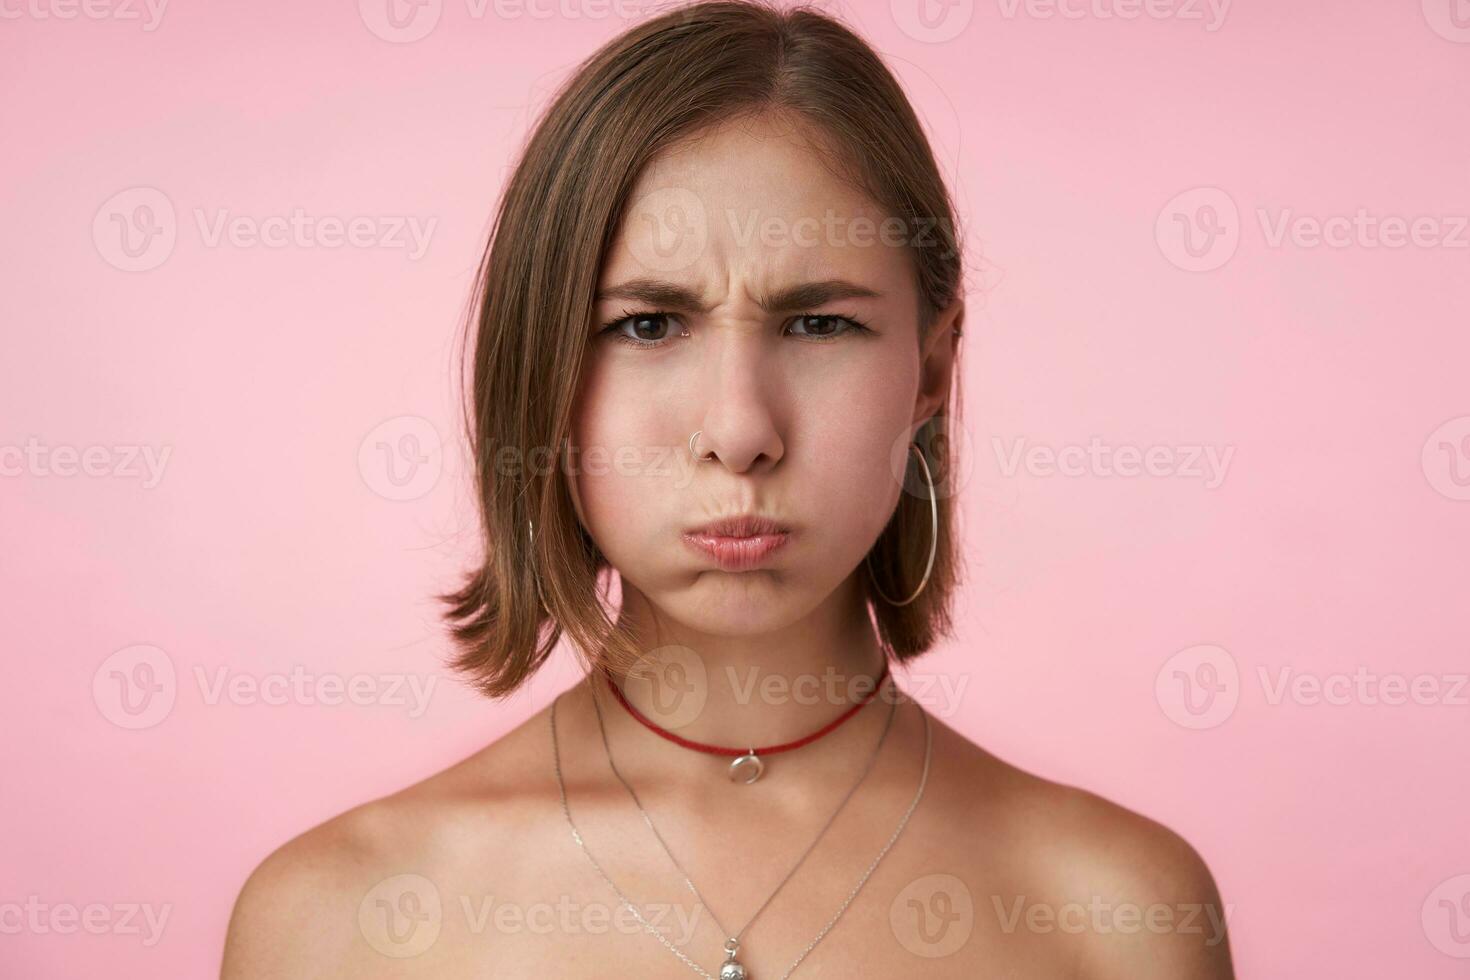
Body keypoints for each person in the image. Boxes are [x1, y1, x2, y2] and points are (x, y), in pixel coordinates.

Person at [222, 2, 1235, 976]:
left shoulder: (1121, 916)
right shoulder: (335, 922)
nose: (743, 430)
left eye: (819, 324)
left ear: (932, 366)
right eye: (649, 325)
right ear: (536, 367)